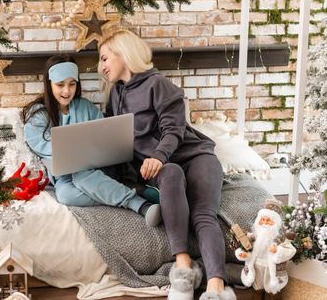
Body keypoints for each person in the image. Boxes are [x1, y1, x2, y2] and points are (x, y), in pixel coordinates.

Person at [98, 30, 236, 300]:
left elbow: (174, 130)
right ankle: (184, 267)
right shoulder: (115, 95)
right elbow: (117, 141)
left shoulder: (157, 84)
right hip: (165, 168)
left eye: (104, 58)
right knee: (170, 172)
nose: (101, 67)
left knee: (203, 214)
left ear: (123, 53)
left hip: (195, 157)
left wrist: (157, 156)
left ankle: (216, 287)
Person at [22, 55, 161, 227]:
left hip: (96, 169)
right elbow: (44, 147)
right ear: (49, 84)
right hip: (64, 175)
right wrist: (77, 153)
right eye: (60, 85)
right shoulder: (38, 115)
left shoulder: (85, 106)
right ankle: (132, 191)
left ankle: (139, 205)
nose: (66, 91)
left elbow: (103, 135)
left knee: (82, 177)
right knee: (65, 195)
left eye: (72, 84)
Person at [235, 199, 296, 294]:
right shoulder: (253, 237)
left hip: (272, 272)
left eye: (269, 221)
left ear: (276, 224)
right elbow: (246, 248)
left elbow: (291, 250)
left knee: (272, 294)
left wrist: (277, 250)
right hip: (255, 270)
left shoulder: (281, 239)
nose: (264, 223)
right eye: (262, 220)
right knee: (256, 293)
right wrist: (243, 254)